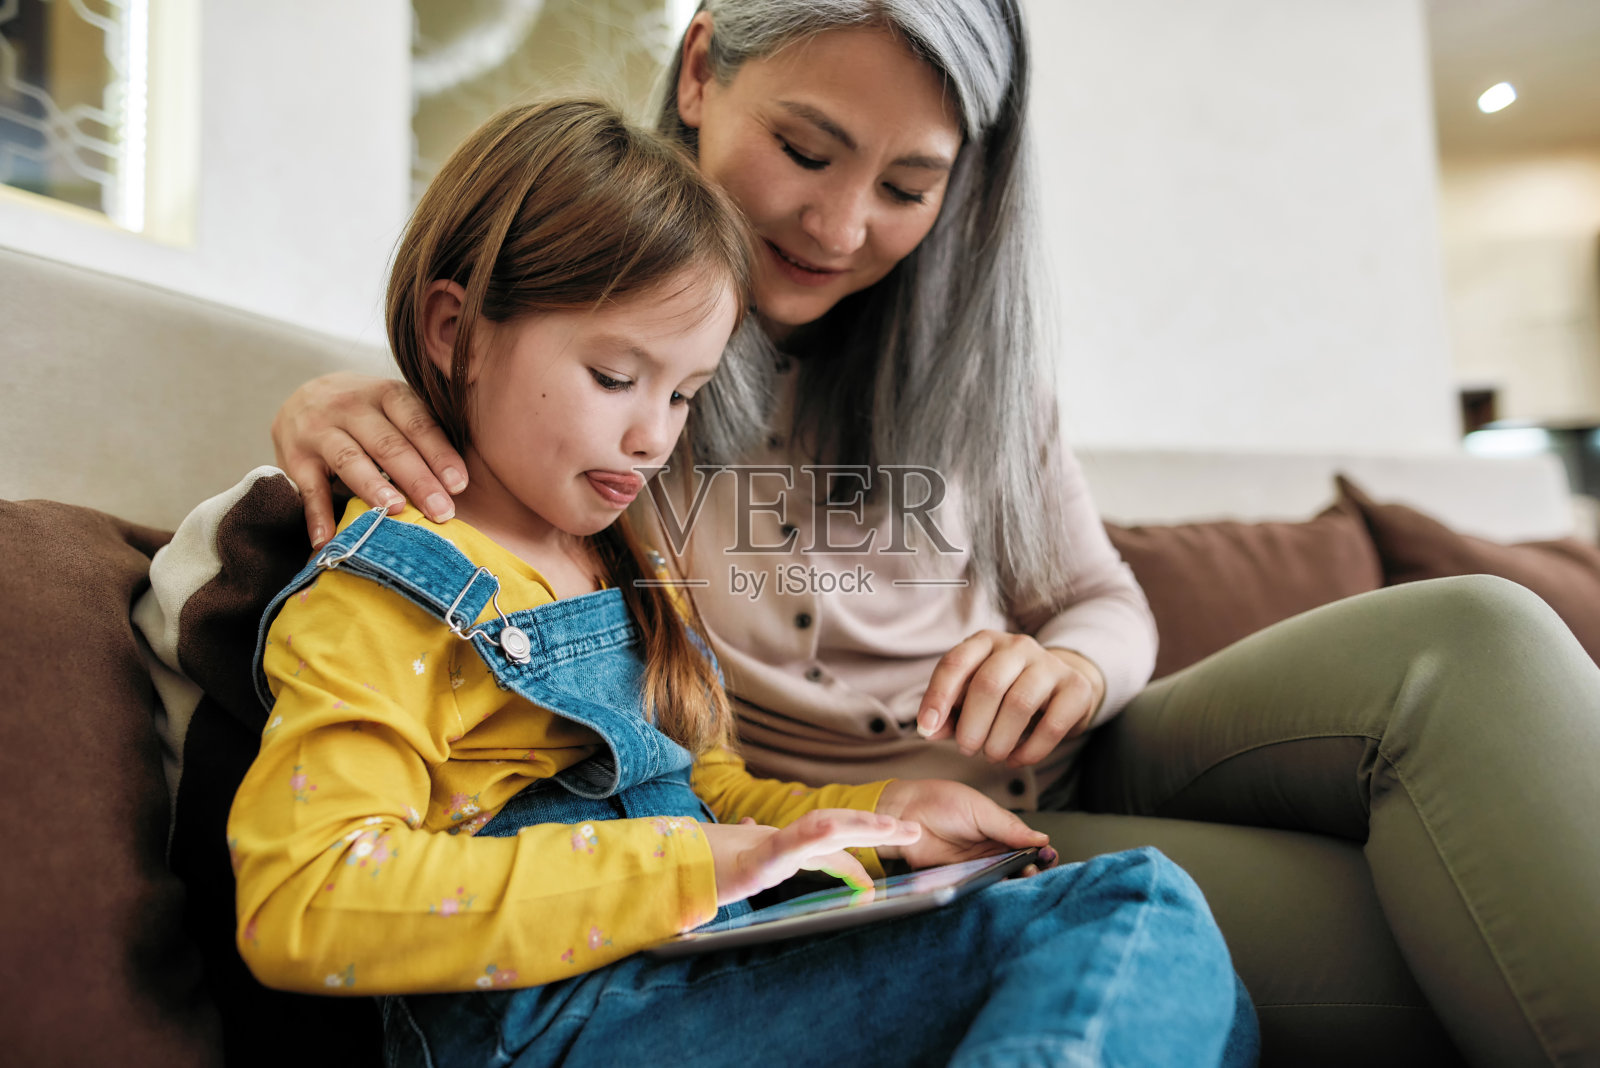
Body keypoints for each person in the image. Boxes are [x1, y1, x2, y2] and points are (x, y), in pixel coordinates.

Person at [267, 2, 1600, 1064]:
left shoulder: (962, 364)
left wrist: (1068, 667)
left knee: (1474, 629)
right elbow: (461, 473)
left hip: (1044, 767)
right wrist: (330, 404)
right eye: (806, 151)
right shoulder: (561, 421)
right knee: (1355, 930)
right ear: (700, 71)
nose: (842, 225)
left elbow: (1098, 597)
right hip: (906, 847)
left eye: (910, 184)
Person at [230, 98, 1256, 1067]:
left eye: (685, 394)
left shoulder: (616, 554)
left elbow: (699, 792)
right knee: (1133, 916)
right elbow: (303, 898)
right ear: (453, 331)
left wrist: (881, 821)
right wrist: (693, 867)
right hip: (549, 1025)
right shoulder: (394, 589)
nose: (653, 436)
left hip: (686, 972)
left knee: (1185, 979)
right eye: (615, 378)